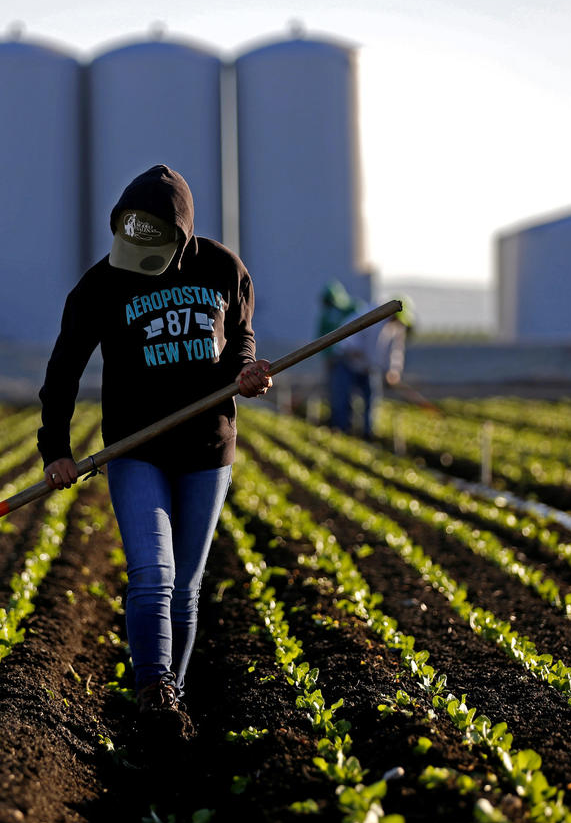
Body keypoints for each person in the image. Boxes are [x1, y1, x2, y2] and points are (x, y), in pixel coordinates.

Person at [38, 165, 271, 721]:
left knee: (186, 587)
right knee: (152, 573)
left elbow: (240, 336)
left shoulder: (222, 268)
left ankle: (172, 700)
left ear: (181, 236)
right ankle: (153, 692)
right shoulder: (100, 284)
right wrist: (57, 450)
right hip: (135, 448)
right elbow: (63, 370)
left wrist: (245, 373)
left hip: (208, 447)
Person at [319, 282, 409, 438]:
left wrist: (393, 371)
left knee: (371, 400)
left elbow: (395, 352)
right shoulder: (369, 316)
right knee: (343, 399)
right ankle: (342, 432)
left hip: (369, 367)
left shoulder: (397, 328)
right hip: (348, 362)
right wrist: (354, 352)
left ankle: (368, 435)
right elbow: (348, 339)